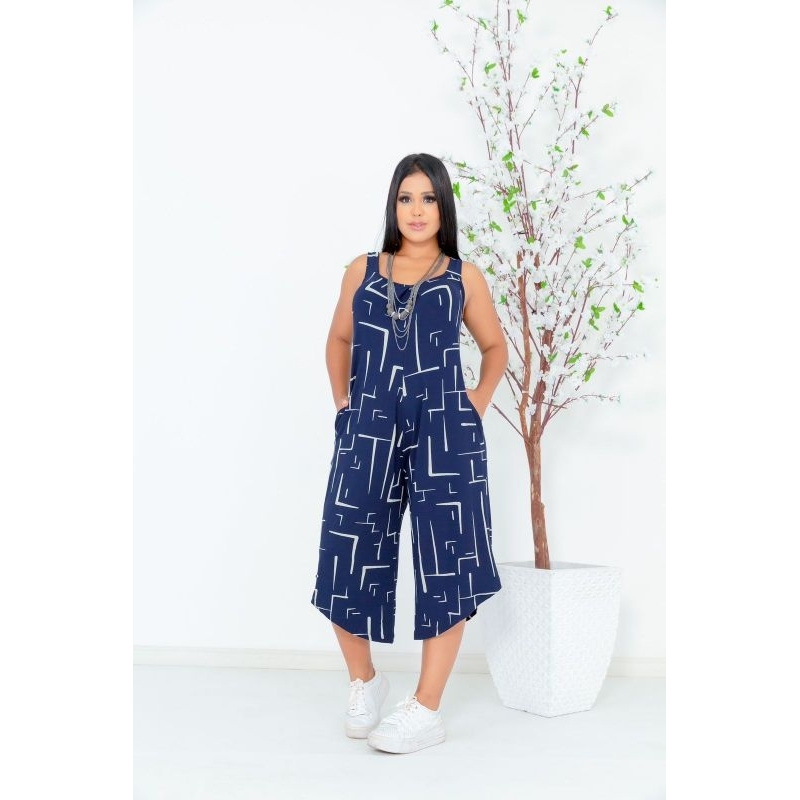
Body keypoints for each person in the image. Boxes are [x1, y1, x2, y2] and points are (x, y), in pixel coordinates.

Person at [310, 153, 508, 754]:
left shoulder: (462, 277)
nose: (416, 210)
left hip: (445, 432)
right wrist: (344, 404)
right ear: (392, 205)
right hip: (368, 426)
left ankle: (426, 707)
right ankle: (365, 681)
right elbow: (338, 339)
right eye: (405, 198)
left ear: (443, 207)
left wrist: (475, 402)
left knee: (448, 559)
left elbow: (495, 347)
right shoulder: (363, 270)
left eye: (427, 199)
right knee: (346, 547)